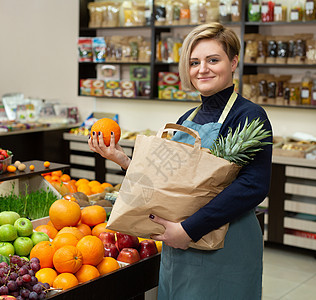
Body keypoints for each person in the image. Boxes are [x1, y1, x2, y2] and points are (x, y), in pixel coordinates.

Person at [88, 22, 272, 300]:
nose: (202, 69)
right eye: (194, 62)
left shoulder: (249, 116)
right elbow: (169, 181)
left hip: (225, 244)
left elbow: (252, 186)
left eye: (213, 60)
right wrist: (123, 159)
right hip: (179, 245)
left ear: (233, 62)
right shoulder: (188, 118)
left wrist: (188, 229)